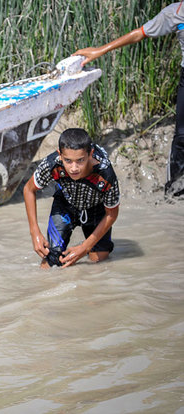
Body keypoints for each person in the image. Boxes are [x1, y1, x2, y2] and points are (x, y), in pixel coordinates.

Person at [73, 1, 184, 198]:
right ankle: (174, 194)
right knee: (182, 137)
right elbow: (140, 33)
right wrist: (101, 50)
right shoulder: (175, 12)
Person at [23, 128, 120, 268]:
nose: (74, 168)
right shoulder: (52, 164)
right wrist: (34, 232)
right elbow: (29, 189)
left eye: (80, 160)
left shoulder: (105, 173)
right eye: (68, 160)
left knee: (98, 262)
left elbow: (112, 214)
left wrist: (85, 247)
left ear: (90, 154)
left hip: (96, 208)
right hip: (65, 204)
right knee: (51, 260)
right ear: (60, 155)